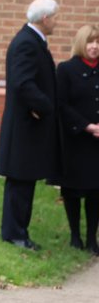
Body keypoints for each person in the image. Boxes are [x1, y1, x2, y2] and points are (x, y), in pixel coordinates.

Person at [0, 0, 59, 249]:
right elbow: (23, 83)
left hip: (28, 129)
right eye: (55, 17)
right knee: (20, 183)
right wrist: (45, 107)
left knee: (24, 182)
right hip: (25, 128)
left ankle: (18, 232)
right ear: (45, 19)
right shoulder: (27, 43)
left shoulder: (31, 41)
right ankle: (15, 234)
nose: (56, 22)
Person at [55, 23, 99, 254]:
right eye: (90, 41)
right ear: (82, 43)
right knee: (73, 191)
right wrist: (87, 126)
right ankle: (75, 236)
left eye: (97, 42)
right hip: (76, 140)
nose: (94, 46)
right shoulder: (66, 69)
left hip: (97, 145)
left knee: (96, 192)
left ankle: (92, 238)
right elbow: (61, 104)